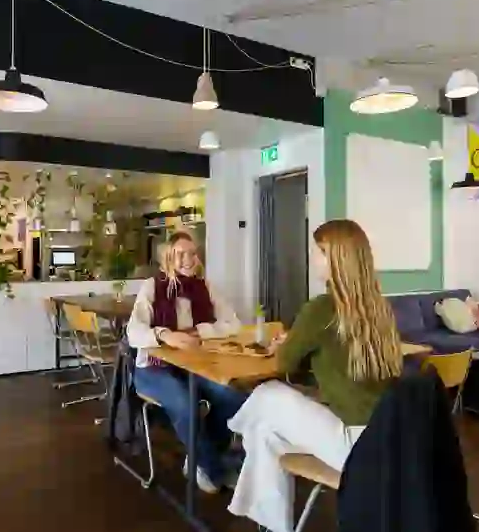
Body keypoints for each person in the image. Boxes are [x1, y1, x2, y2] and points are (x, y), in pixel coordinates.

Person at [227, 219, 403, 532]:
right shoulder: (378, 307)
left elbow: (283, 364)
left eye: (317, 251)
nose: (313, 258)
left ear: (335, 258)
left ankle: (229, 436)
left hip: (355, 447)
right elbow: (338, 355)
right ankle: (273, 525)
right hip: (390, 439)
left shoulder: (321, 309)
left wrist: (290, 342)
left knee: (268, 393)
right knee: (265, 433)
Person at [126, 231, 245, 493]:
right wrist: (164, 334)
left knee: (234, 397)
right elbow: (133, 332)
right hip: (152, 368)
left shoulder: (206, 286)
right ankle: (214, 468)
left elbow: (234, 324)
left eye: (192, 253)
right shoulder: (152, 286)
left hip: (194, 365)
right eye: (180, 254)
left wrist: (198, 332)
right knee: (185, 404)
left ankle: (200, 456)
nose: (188, 259)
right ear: (169, 257)